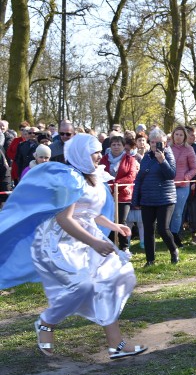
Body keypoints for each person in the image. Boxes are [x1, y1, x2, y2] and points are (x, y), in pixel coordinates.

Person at [0, 134, 146, 359]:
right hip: (61, 242)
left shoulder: (95, 176)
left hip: (87, 237)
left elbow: (89, 212)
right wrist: (95, 242)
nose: (100, 155)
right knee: (83, 285)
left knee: (115, 279)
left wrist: (113, 225)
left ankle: (115, 344)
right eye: (94, 152)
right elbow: (64, 219)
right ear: (80, 153)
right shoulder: (69, 179)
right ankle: (47, 322)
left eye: (99, 151)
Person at [131, 128, 179, 266]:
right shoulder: (146, 156)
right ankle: (150, 260)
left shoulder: (168, 155)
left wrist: (162, 161)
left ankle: (174, 250)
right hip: (147, 198)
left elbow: (171, 175)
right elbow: (139, 178)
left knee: (163, 229)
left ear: (164, 143)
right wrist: (136, 199)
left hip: (165, 198)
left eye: (158, 143)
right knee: (148, 230)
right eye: (152, 142)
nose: (154, 145)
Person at [100, 135, 139, 252]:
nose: (116, 147)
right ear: (110, 146)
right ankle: (111, 245)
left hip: (124, 195)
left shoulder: (130, 159)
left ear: (123, 146)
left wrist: (116, 184)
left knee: (121, 220)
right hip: (107, 194)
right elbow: (99, 173)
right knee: (109, 220)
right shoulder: (104, 159)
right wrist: (108, 187)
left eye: (119, 144)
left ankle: (124, 246)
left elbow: (131, 176)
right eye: (114, 144)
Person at [168, 126, 196, 247]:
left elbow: (195, 168)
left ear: (184, 137)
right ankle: (167, 236)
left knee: (177, 212)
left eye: (181, 135)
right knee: (167, 212)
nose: (178, 137)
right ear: (173, 135)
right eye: (176, 134)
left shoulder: (189, 149)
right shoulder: (167, 148)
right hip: (168, 185)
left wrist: (187, 176)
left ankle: (175, 235)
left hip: (182, 186)